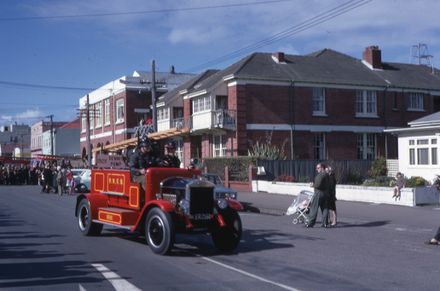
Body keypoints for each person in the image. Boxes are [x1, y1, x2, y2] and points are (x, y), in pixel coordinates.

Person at [306, 162, 330, 228]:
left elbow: (318, 185)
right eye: (316, 168)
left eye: (318, 168)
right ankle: (325, 223)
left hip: (319, 193)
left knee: (314, 208)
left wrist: (312, 185)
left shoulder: (321, 175)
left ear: (322, 168)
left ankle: (310, 223)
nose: (317, 169)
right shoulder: (327, 175)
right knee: (325, 208)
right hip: (326, 193)